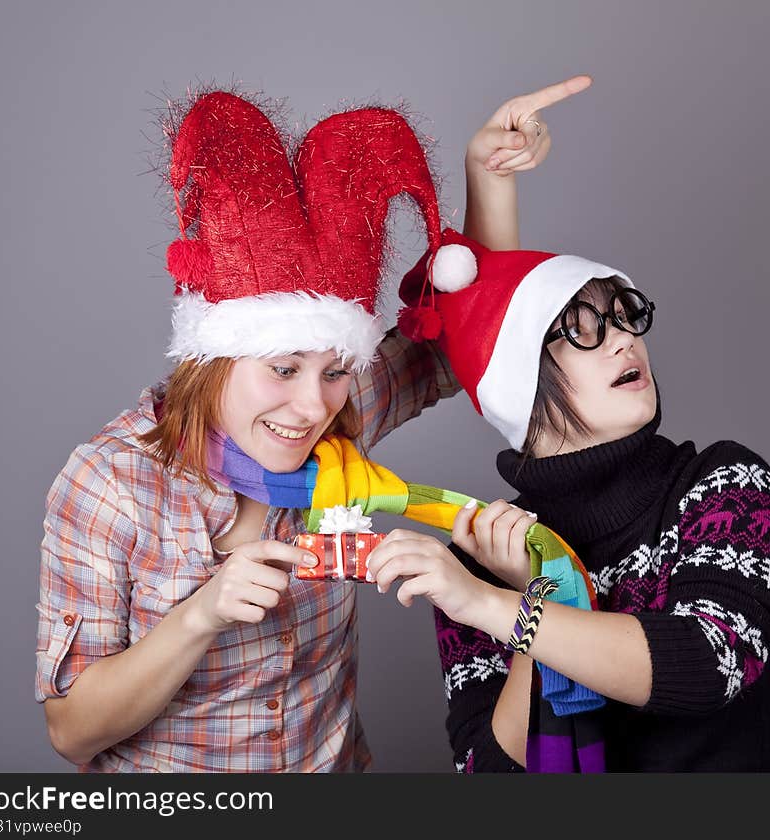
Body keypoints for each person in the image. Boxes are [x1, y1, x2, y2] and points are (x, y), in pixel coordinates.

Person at [35, 81, 581, 772]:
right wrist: (200, 615)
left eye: (333, 369)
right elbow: (70, 730)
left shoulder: (337, 421)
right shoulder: (107, 482)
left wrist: (488, 175)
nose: (310, 407)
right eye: (284, 368)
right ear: (213, 358)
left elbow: (457, 339)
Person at [367, 95, 770, 772]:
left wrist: (501, 607)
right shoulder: (486, 556)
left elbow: (709, 659)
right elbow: (490, 772)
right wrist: (535, 588)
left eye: (625, 315)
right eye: (580, 327)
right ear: (520, 378)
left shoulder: (723, 484)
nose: (623, 340)